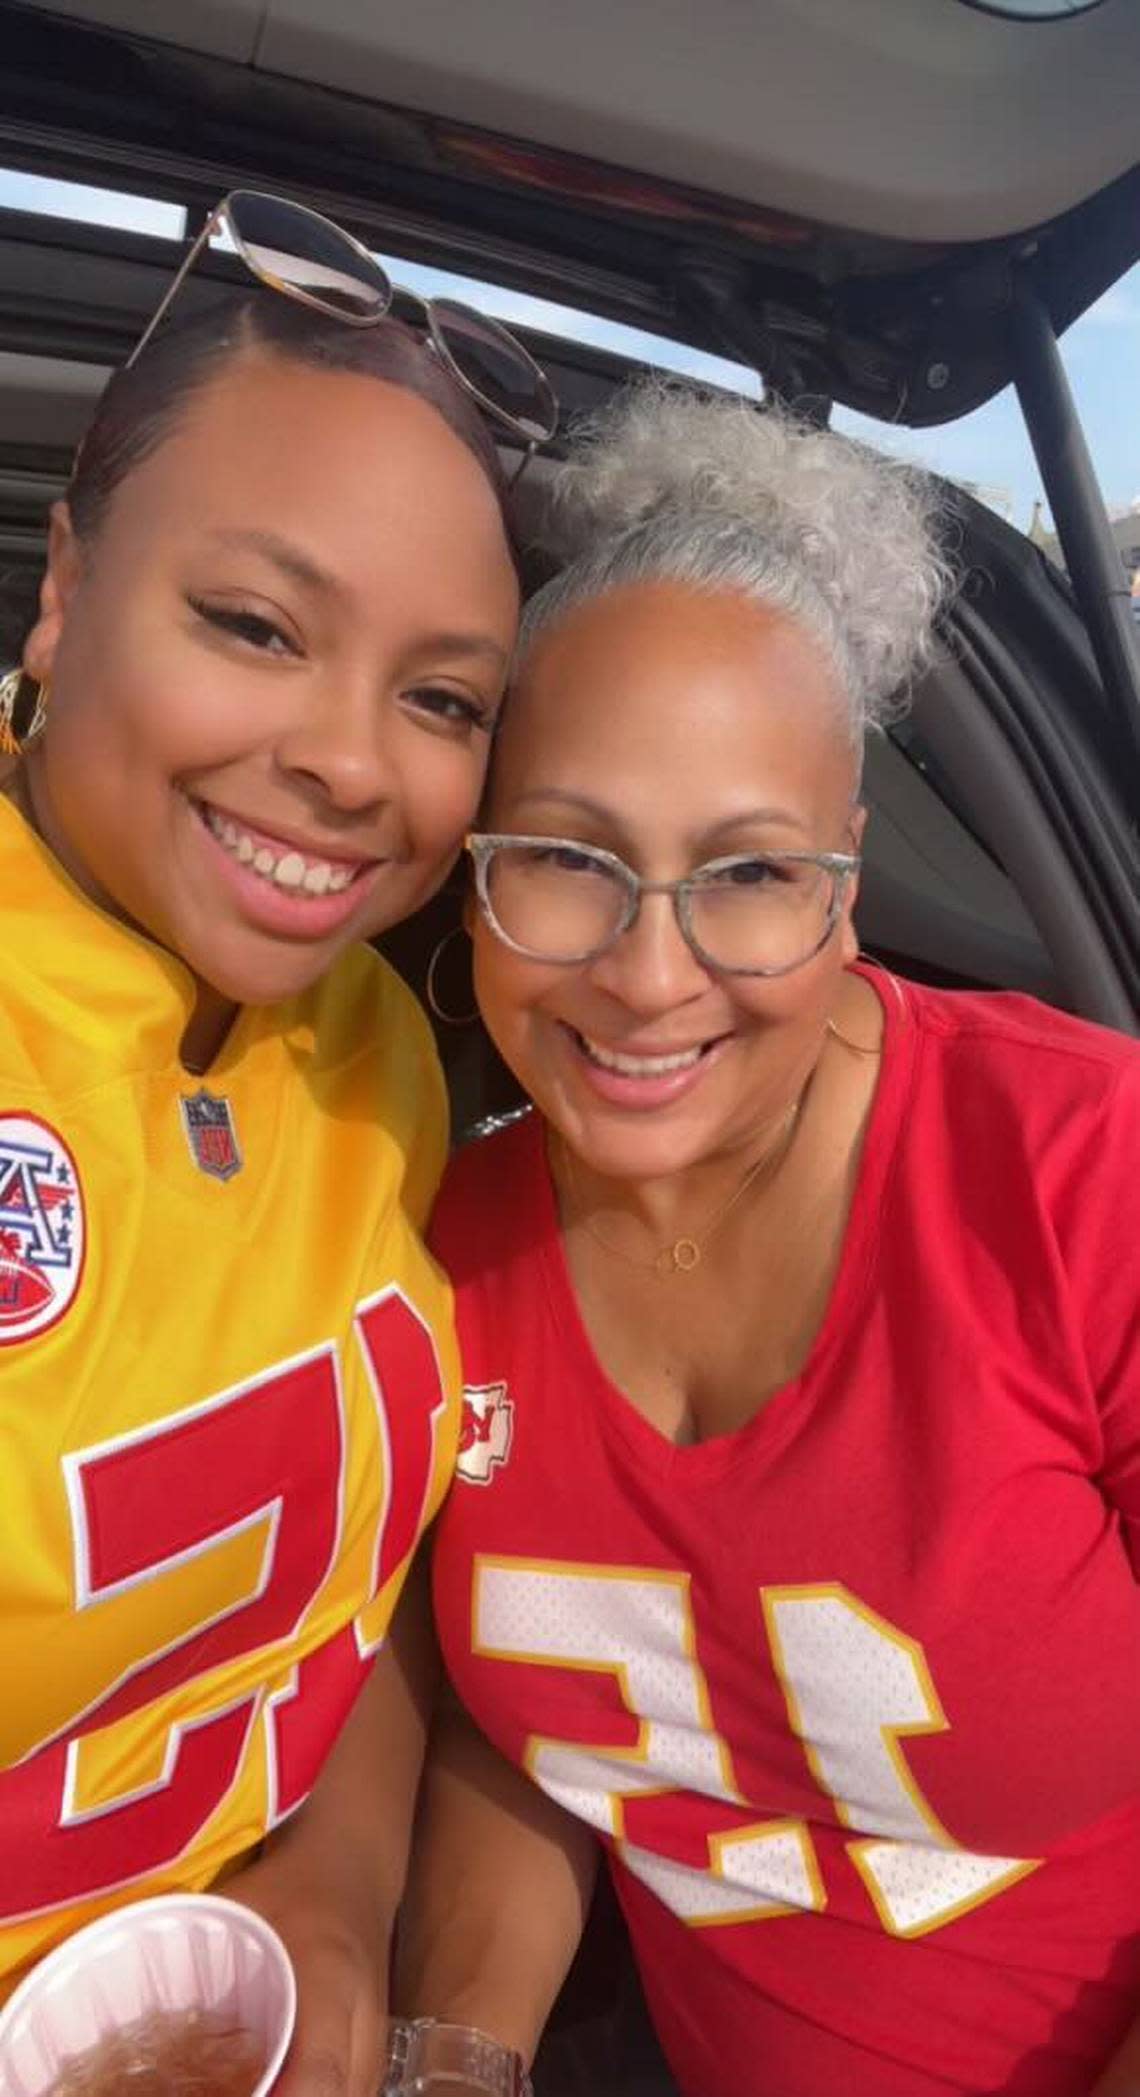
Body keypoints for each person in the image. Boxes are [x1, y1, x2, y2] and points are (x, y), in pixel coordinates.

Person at [397, 382, 1140, 2097]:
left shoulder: (1078, 1174)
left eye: (746, 875)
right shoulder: (443, 1247)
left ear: (848, 878)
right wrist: (448, 2058)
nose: (651, 978)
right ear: (478, 862)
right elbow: (533, 1742)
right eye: (571, 860)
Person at [0, 188, 538, 2097]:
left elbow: (360, 1586)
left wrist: (334, 1898)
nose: (350, 760)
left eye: (444, 698)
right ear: (63, 587)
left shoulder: (391, 1049)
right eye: (253, 623)